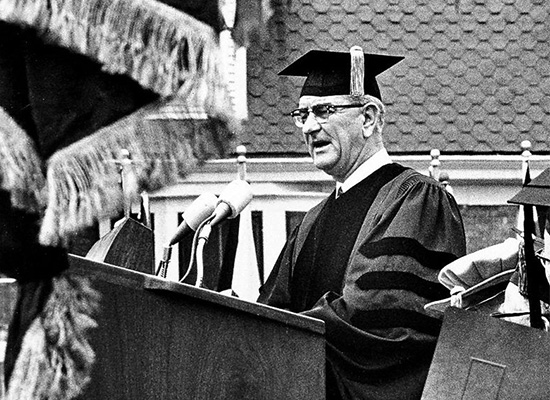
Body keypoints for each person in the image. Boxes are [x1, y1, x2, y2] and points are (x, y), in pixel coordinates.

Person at [257, 46, 467, 400]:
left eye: (323, 111)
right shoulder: (312, 219)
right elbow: (271, 311)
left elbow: (384, 318)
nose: (309, 126)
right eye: (302, 113)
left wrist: (286, 337)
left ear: (368, 118)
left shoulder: (416, 199)